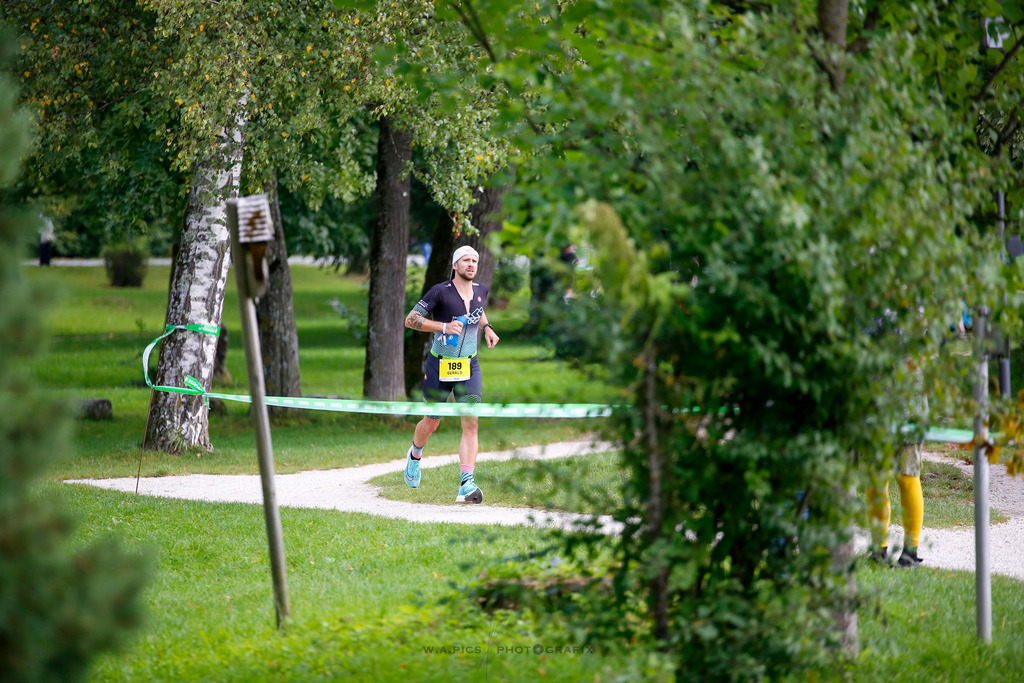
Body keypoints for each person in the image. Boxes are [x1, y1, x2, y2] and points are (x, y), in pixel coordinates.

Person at [403, 245, 500, 503]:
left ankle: (466, 484)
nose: (471, 264)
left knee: (471, 422)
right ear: (455, 265)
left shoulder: (481, 290)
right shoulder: (440, 292)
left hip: (469, 366)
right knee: (432, 421)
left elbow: (477, 313)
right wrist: (443, 326)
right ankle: (415, 454)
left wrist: (488, 328)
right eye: (466, 260)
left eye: (475, 261)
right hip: (440, 365)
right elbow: (410, 319)